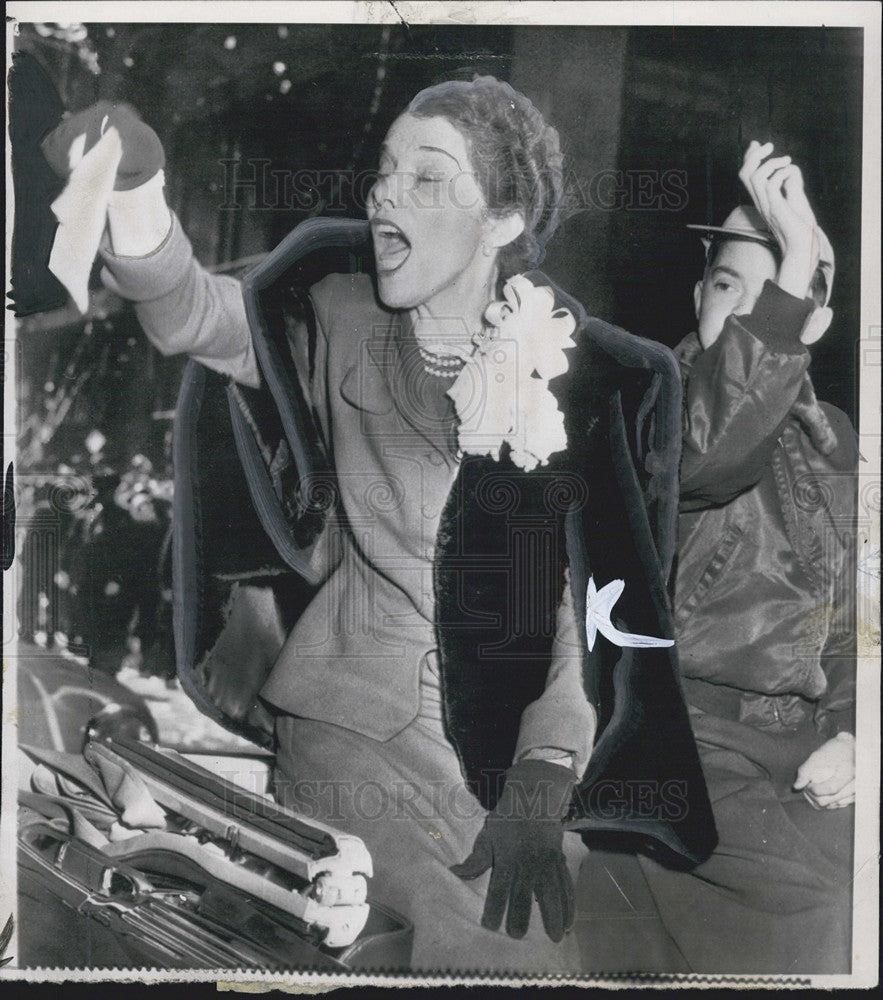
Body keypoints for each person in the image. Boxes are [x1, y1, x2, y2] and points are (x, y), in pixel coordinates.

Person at [38, 78, 710, 974]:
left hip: (508, 758)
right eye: (385, 171)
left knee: (557, 953)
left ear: (503, 219)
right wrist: (135, 193)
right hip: (354, 722)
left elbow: (586, 608)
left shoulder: (570, 378)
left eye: (427, 178)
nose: (385, 192)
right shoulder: (341, 318)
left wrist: (547, 766)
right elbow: (199, 314)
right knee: (492, 959)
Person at [634, 142, 858, 973]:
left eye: (777, 296)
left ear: (814, 321)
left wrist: (854, 731)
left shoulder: (838, 444)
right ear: (698, 296)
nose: (743, 314)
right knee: (814, 911)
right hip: (678, 742)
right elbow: (710, 455)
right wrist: (792, 267)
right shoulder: (647, 400)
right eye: (729, 288)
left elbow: (860, 623)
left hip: (798, 748)